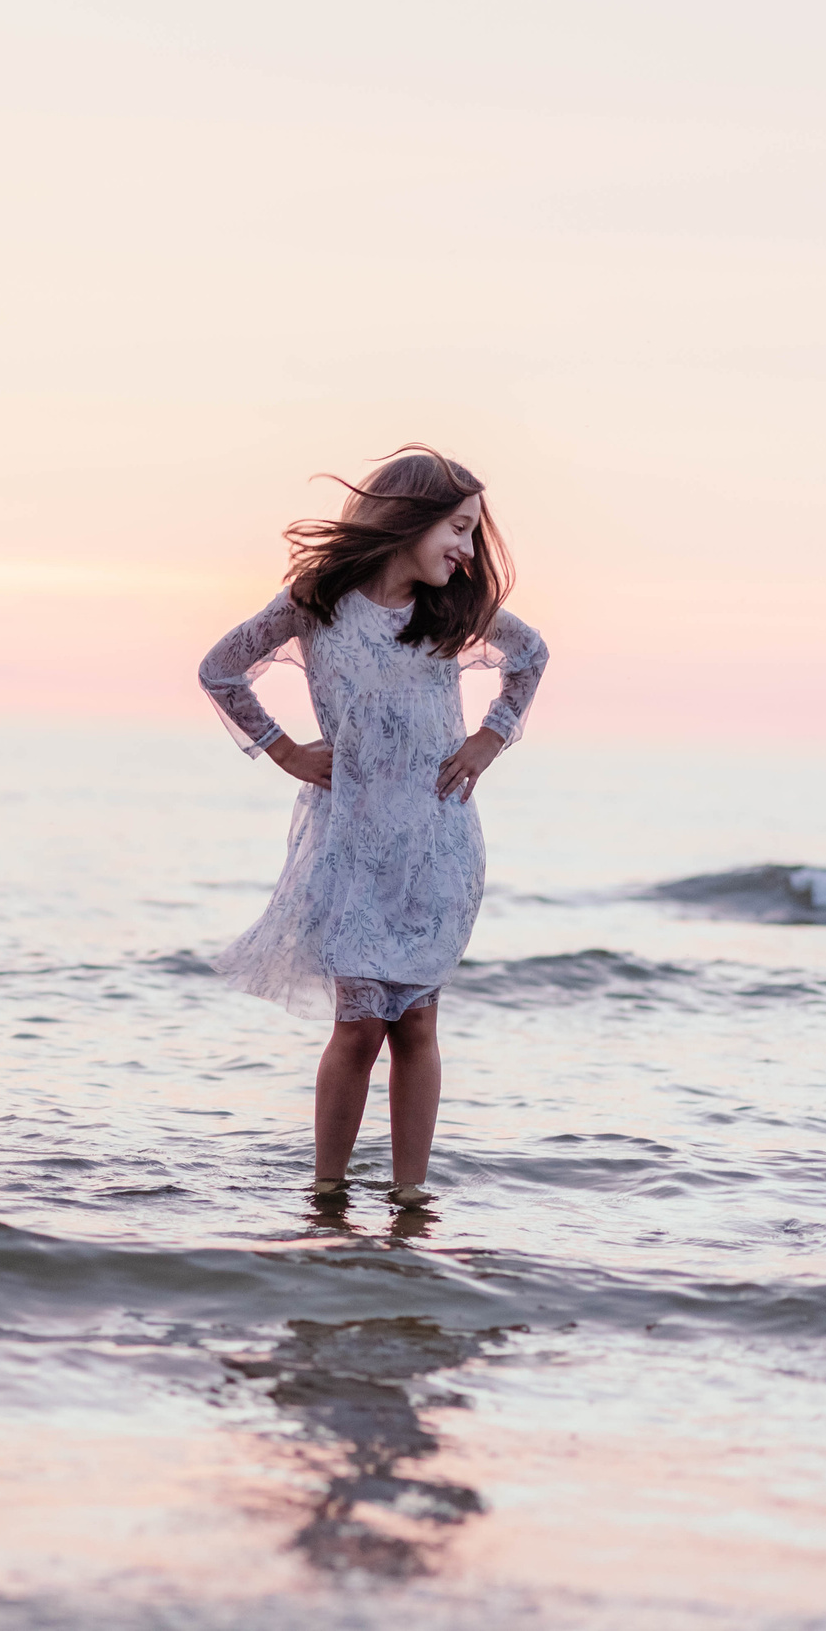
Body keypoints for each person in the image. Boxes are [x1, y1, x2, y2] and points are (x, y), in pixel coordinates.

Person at [197, 449, 548, 1209]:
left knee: (416, 1023)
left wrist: (490, 738)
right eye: (457, 528)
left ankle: (409, 1201)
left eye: (473, 533)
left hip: (436, 843)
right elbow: (220, 669)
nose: (467, 548)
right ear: (408, 520)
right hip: (351, 844)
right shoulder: (317, 600)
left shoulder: (449, 612)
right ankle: (327, 1196)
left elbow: (530, 654)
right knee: (357, 1027)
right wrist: (286, 751)